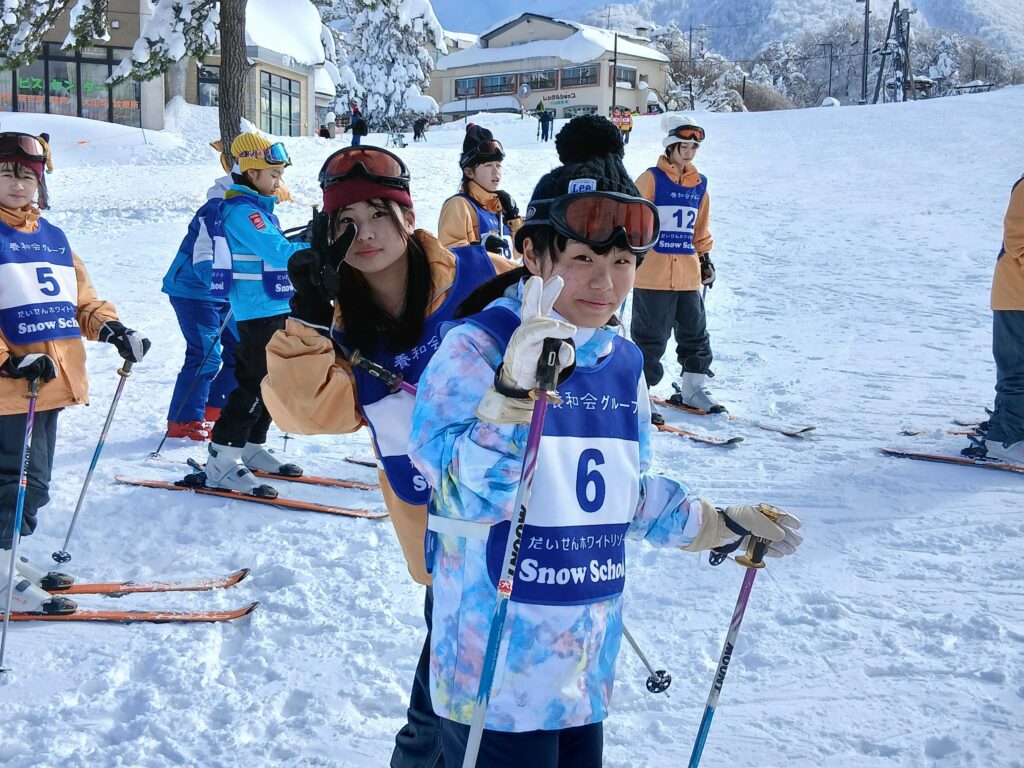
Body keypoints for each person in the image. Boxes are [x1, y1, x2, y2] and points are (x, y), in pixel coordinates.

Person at [408, 115, 803, 766]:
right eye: (583, 259)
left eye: (622, 262)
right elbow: (444, 478)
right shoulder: (478, 346)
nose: (605, 282)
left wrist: (717, 524)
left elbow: (620, 493)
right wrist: (507, 402)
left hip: (581, 667)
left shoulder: (622, 362)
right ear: (533, 255)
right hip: (494, 674)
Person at [260, 145, 516, 767]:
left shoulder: (480, 273)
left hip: (527, 513)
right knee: (442, 709)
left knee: (505, 696)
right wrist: (308, 319)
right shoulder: (340, 323)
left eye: (380, 213)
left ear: (407, 214)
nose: (368, 234)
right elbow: (305, 414)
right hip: (441, 531)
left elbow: (566, 323)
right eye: (348, 222)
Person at [0, 132, 150, 615]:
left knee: (33, 483)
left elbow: (79, 301)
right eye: (5, 174)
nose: (17, 184)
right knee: (12, 482)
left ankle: (5, 556)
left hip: (46, 385)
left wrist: (112, 329)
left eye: (27, 176)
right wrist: (8, 361)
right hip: (9, 387)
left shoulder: (52, 238)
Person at [202, 132, 307, 497]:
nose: (279, 181)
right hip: (256, 311)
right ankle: (222, 457)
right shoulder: (243, 212)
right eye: (274, 174)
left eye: (280, 174)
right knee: (253, 382)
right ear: (251, 173)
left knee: (273, 382)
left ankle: (251, 445)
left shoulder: (260, 209)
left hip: (275, 305)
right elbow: (280, 253)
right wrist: (315, 244)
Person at [630, 114, 718, 424]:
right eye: (684, 146)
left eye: (694, 147)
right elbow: (632, 220)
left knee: (695, 334)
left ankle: (693, 388)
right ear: (670, 147)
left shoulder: (699, 184)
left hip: (687, 276)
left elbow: (699, 229)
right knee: (651, 339)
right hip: (652, 275)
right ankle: (640, 392)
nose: (689, 152)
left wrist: (705, 260)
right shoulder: (651, 179)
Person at [160, 151, 240, 441]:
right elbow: (203, 257)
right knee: (206, 354)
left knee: (242, 349)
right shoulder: (217, 208)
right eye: (273, 175)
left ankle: (214, 407)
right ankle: (183, 420)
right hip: (193, 291)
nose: (278, 183)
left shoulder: (253, 207)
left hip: (224, 291)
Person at [966, 171, 1024, 463]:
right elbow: (1018, 242)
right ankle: (1005, 440)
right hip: (1016, 296)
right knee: (1018, 370)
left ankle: (1009, 426)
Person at [437, 124, 522, 256]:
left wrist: (514, 219)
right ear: (469, 172)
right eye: (488, 165)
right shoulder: (458, 205)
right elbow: (449, 254)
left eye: (498, 165)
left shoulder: (499, 208)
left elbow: (516, 255)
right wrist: (480, 249)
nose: (495, 171)